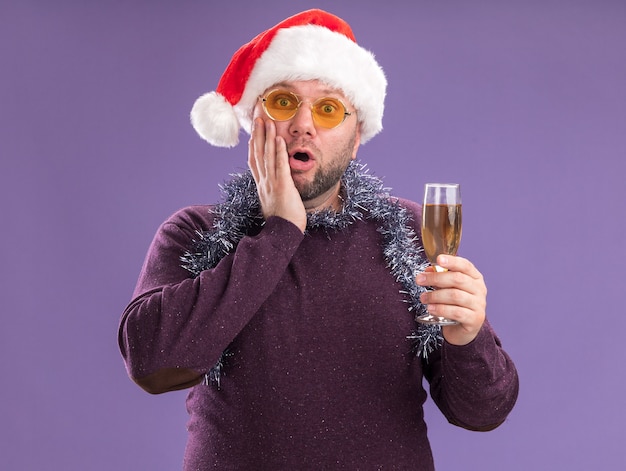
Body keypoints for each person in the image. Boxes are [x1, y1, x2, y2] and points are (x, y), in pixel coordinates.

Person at [118, 9, 518, 470]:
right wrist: (279, 232)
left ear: (355, 138)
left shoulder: (408, 230)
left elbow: (482, 412)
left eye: (328, 109)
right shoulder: (195, 231)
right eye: (284, 102)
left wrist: (466, 336)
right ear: (254, 122)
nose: (303, 124)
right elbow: (150, 362)